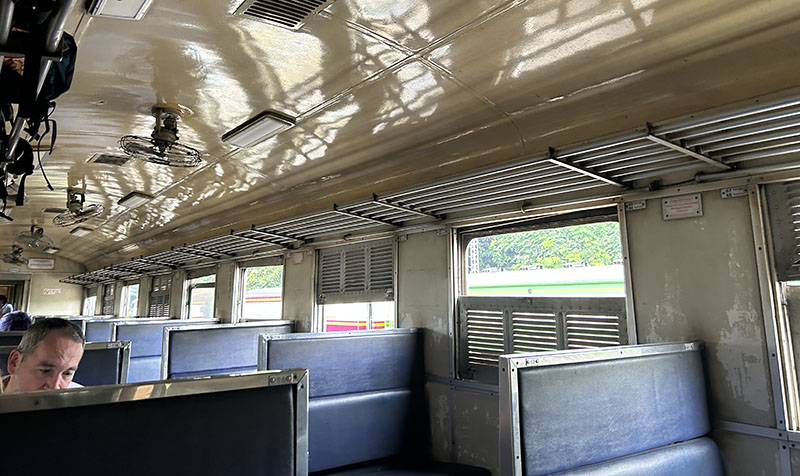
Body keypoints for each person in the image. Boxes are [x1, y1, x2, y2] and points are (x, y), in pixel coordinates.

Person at [0, 317, 84, 394]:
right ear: (14, 362)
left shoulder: (80, 403)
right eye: (45, 371)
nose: (55, 387)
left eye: (67, 373)